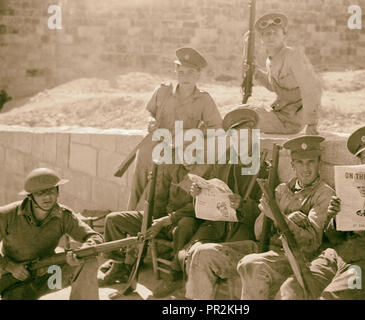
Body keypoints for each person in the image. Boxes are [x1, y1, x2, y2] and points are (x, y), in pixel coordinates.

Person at [278, 124, 365, 300]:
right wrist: (335, 217)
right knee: (292, 288)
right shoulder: (353, 185)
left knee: (330, 297)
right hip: (338, 255)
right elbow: (333, 238)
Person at [183, 107, 269, 300]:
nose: (242, 144)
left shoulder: (262, 168)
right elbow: (209, 191)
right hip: (217, 228)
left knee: (204, 256)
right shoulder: (222, 162)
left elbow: (269, 212)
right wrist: (198, 193)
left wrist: (243, 205)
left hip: (243, 233)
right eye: (237, 139)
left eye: (247, 139)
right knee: (191, 252)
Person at [234, 135, 334, 300]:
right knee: (205, 253)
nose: (306, 168)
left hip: (296, 256)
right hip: (270, 249)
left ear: (319, 164)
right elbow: (259, 233)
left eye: (311, 162)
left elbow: (311, 243)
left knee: (251, 264)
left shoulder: (324, 193)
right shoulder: (282, 190)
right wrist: (282, 216)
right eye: (300, 163)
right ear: (292, 165)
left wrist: (278, 216)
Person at [127, 47, 222, 212]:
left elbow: (217, 128)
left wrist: (193, 135)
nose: (186, 77)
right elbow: (151, 112)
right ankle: (129, 215)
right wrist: (150, 121)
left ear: (198, 75)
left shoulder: (204, 99)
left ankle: (143, 218)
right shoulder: (163, 91)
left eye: (191, 72)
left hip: (179, 150)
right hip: (156, 143)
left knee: (157, 187)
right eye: (182, 72)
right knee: (139, 177)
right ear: (176, 72)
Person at [0, 168, 102, 300]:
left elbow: (94, 237)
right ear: (30, 196)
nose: (47, 197)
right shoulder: (7, 215)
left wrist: (82, 251)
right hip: (16, 278)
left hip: (50, 275)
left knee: (88, 260)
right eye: (40, 193)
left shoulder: (64, 216)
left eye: (51, 191)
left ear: (58, 192)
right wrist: (10, 266)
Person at [98, 162, 201, 293]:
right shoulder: (174, 169)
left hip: (182, 223)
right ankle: (119, 267)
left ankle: (175, 277)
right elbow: (159, 201)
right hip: (162, 220)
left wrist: (164, 221)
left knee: (186, 224)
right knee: (113, 220)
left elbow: (194, 209)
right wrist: (150, 220)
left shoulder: (206, 173)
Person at [243, 12, 322, 135]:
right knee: (240, 112)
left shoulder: (292, 56)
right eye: (267, 34)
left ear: (284, 36)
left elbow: (311, 87)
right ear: (261, 39)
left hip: (292, 120)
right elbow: (275, 87)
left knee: (240, 119)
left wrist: (311, 123)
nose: (271, 37)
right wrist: (256, 73)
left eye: (276, 33)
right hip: (280, 113)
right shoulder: (270, 60)